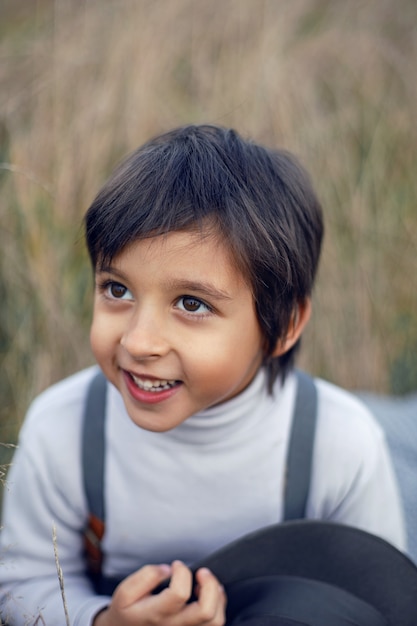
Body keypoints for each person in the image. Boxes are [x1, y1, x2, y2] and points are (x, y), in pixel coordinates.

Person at [0, 125, 405, 626]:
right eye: (117, 290)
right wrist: (104, 620)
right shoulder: (62, 428)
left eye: (191, 304)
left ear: (286, 326)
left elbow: (380, 600)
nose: (138, 342)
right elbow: (21, 586)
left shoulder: (338, 442)